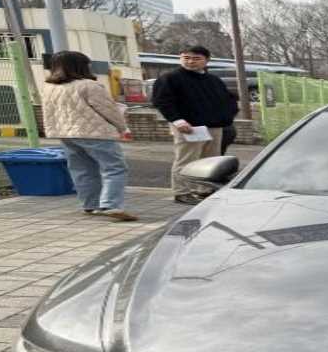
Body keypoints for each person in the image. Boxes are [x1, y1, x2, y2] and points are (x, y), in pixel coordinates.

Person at [42, 51, 138, 222]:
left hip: (66, 134)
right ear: (81, 66)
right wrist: (122, 127)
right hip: (95, 133)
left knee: (82, 169)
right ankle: (110, 205)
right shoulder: (89, 85)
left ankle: (90, 205)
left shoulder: (49, 87)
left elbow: (49, 113)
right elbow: (109, 110)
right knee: (114, 168)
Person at [151, 45, 238, 203]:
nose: (191, 62)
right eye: (186, 58)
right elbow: (162, 101)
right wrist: (177, 120)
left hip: (214, 126)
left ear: (206, 60)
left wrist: (227, 116)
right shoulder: (170, 78)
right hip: (188, 127)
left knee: (211, 160)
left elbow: (228, 99)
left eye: (196, 58)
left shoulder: (213, 80)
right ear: (180, 58)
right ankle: (181, 192)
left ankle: (204, 190)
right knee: (186, 160)